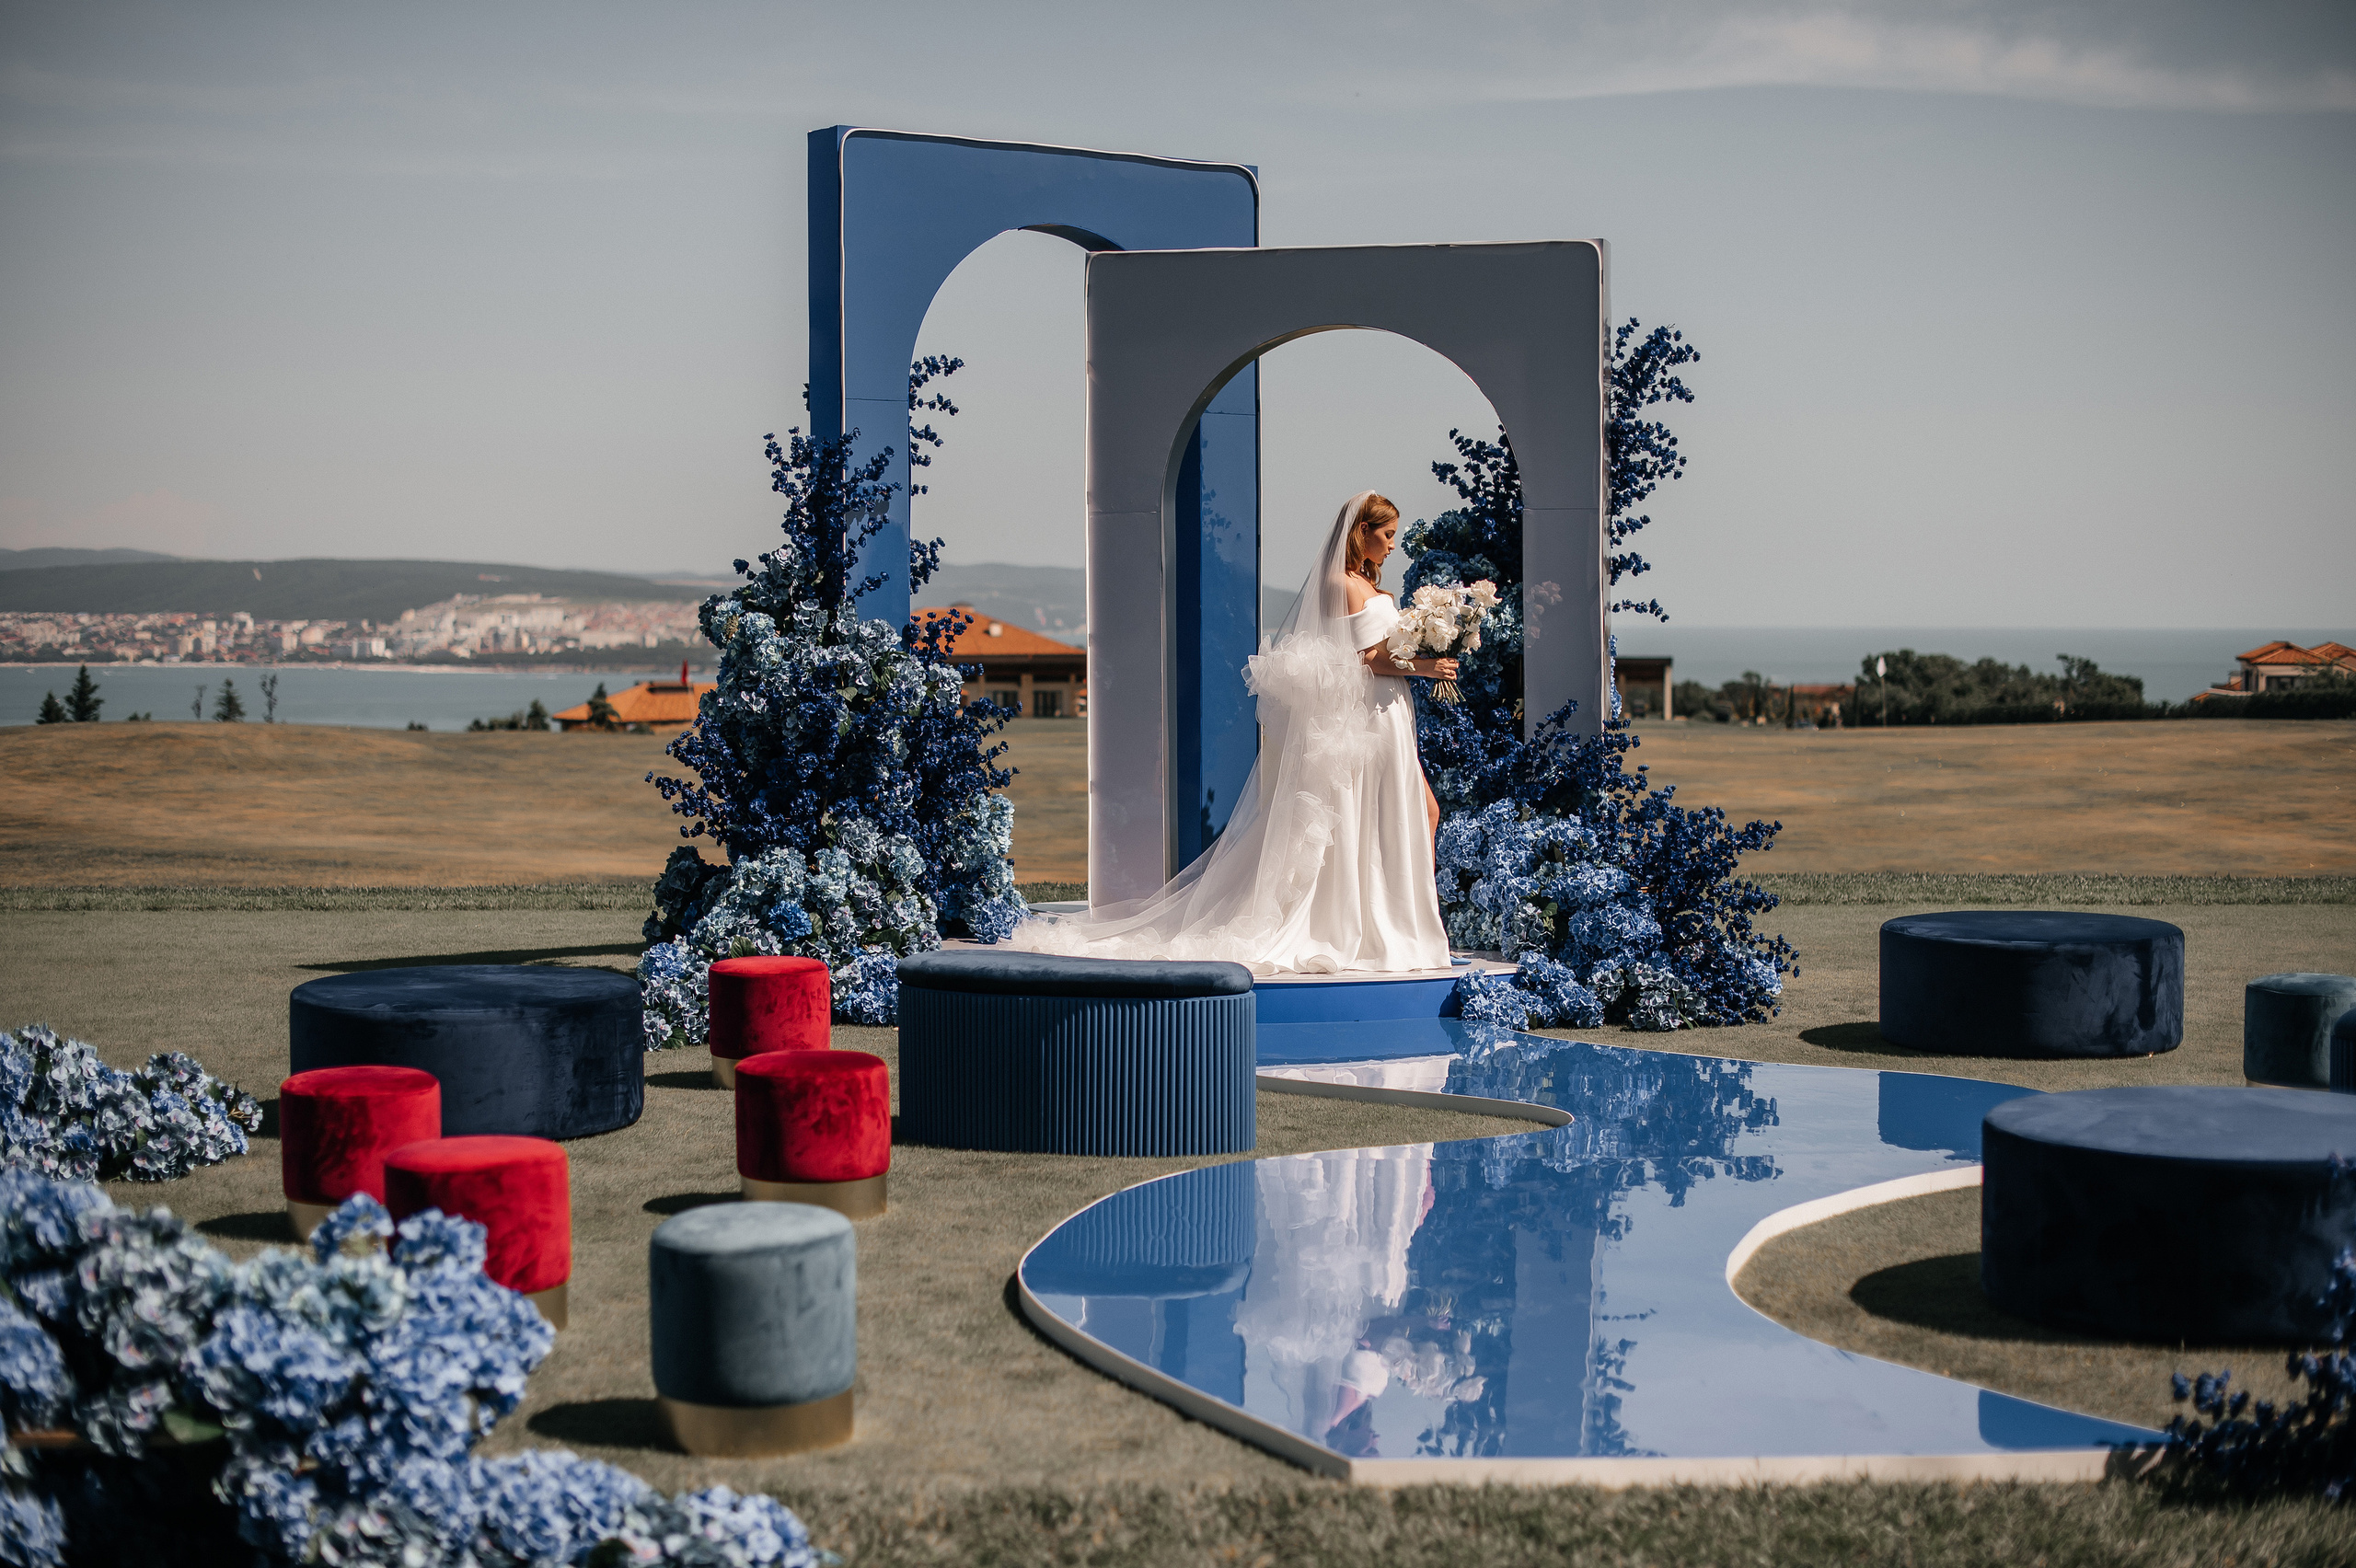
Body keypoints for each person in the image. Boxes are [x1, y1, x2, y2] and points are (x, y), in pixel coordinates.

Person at [1010, 491, 1455, 974]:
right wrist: (1428, 666)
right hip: (1367, 714)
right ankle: (1378, 926)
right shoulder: (1340, 583)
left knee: (1413, 809)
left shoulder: (1369, 585)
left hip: (1392, 713)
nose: (1393, 546)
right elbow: (1365, 657)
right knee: (1380, 812)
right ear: (1361, 532)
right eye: (1387, 535)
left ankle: (1404, 922)